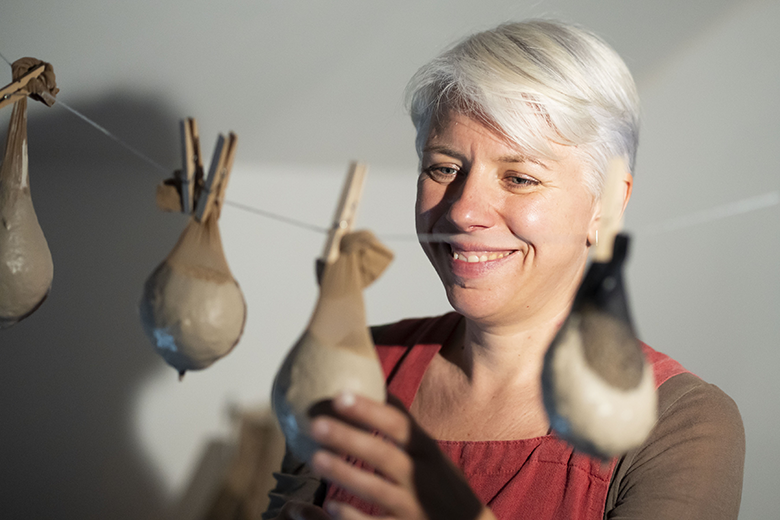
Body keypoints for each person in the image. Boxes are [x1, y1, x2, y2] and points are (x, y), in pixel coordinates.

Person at [263, 19, 745, 520]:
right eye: (444, 168)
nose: (463, 211)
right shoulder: (352, 364)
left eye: (518, 178)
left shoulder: (680, 422)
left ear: (607, 203)